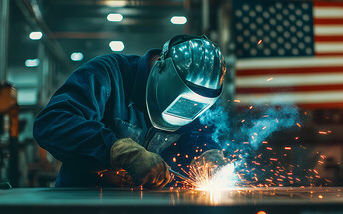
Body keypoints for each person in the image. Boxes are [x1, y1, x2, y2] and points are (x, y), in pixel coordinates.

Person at [33, 35, 226, 189]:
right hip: (85, 212)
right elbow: (51, 123)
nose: (185, 111)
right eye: (182, 101)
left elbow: (202, 138)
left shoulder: (200, 102)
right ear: (160, 67)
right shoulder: (106, 74)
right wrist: (115, 150)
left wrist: (209, 154)